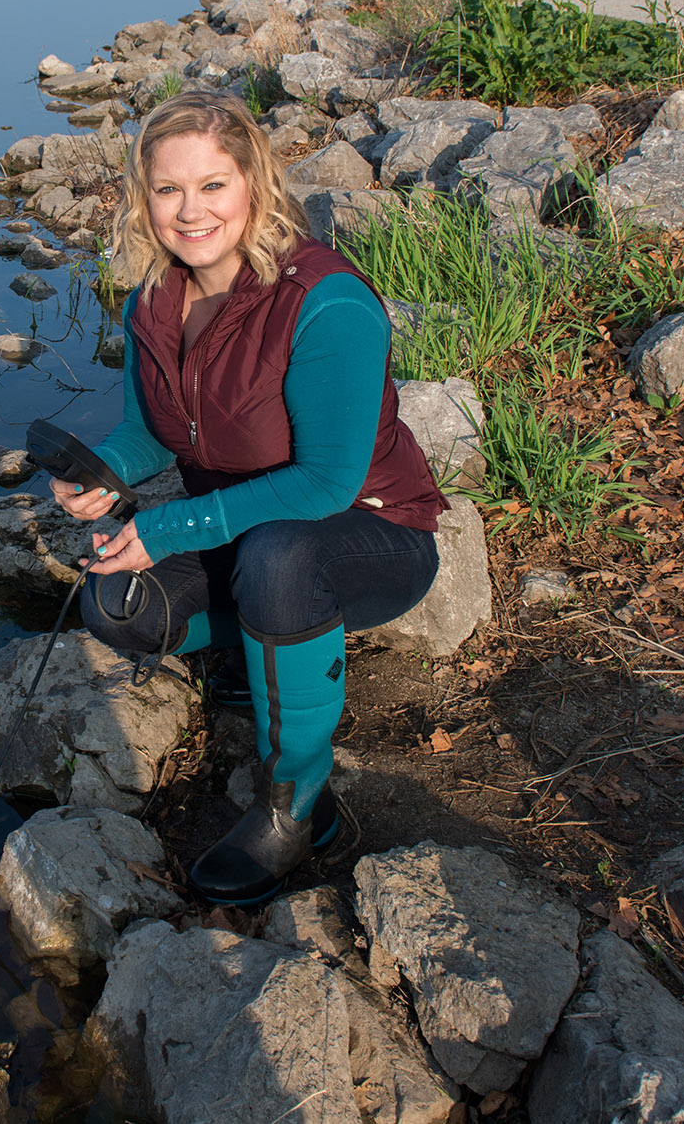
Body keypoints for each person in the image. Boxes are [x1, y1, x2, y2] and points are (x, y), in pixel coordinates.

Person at [51, 89, 445, 905]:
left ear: (255, 184)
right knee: (117, 602)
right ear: (143, 197)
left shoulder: (324, 301)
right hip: (246, 525)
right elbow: (152, 431)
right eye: (168, 189)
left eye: (213, 185)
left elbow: (327, 483)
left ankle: (296, 806)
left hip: (365, 532)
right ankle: (265, 664)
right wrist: (104, 472)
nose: (190, 211)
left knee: (279, 558)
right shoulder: (153, 300)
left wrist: (170, 525)